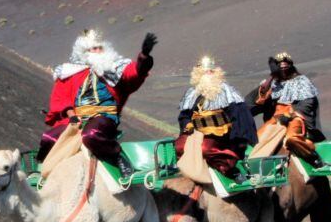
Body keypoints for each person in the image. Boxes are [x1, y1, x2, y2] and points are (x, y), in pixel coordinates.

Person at [37, 29, 157, 172]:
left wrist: (143, 56)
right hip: (77, 119)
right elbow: (60, 97)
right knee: (48, 138)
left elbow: (133, 73)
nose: (99, 51)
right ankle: (43, 171)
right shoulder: (70, 72)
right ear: (85, 51)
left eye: (101, 48)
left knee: (91, 135)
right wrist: (72, 116)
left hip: (104, 117)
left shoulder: (113, 68)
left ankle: (118, 157)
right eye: (94, 48)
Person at [175, 55, 258, 176]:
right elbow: (184, 115)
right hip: (197, 134)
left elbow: (239, 115)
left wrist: (237, 140)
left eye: (211, 71)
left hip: (221, 137)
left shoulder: (227, 91)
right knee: (179, 146)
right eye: (204, 71)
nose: (208, 73)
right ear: (198, 74)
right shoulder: (192, 94)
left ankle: (226, 165)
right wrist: (187, 124)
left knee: (205, 149)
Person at [248, 52, 325, 165]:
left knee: (292, 139)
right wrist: (271, 78)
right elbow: (259, 101)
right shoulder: (274, 84)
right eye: (280, 67)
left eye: (285, 66)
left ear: (291, 65)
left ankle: (313, 156)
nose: (283, 69)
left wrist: (290, 115)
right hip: (276, 119)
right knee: (258, 141)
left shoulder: (301, 81)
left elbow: (307, 103)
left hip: (295, 118)